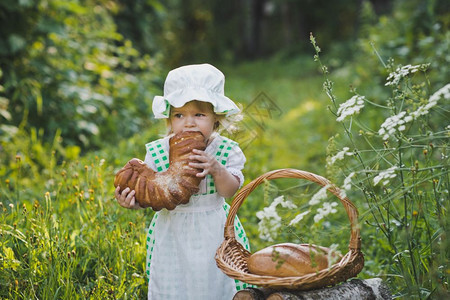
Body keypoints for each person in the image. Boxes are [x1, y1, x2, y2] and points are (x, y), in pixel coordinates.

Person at [115, 63, 251, 299]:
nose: (189, 123)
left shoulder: (226, 150)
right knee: (174, 286)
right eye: (179, 115)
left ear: (216, 119)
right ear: (169, 119)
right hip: (172, 233)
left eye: (199, 114)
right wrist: (134, 201)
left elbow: (229, 191)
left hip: (214, 232)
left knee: (214, 283)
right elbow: (153, 194)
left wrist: (217, 170)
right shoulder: (158, 151)